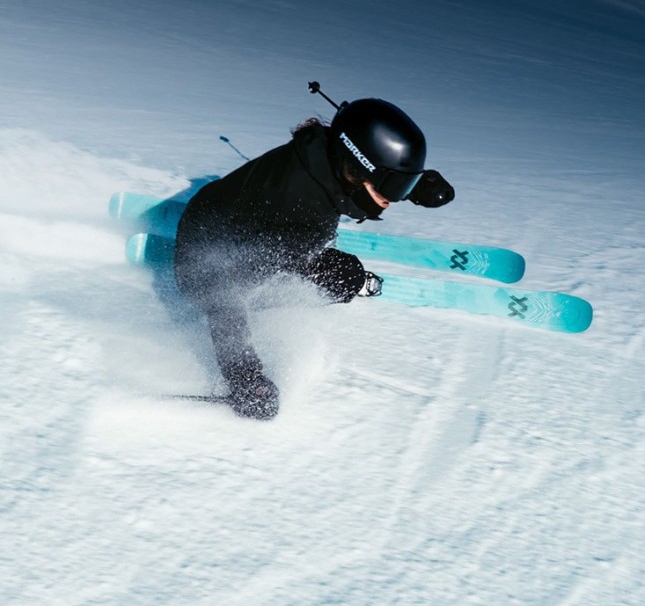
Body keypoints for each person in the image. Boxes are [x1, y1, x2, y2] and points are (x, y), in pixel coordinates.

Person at [174, 85, 454, 419]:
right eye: (392, 186)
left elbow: (363, 175)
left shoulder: (328, 152)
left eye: (402, 185)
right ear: (357, 165)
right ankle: (345, 283)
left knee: (329, 265)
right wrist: (245, 378)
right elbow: (222, 295)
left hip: (222, 212)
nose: (392, 198)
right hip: (205, 260)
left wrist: (416, 184)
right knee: (343, 275)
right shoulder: (301, 211)